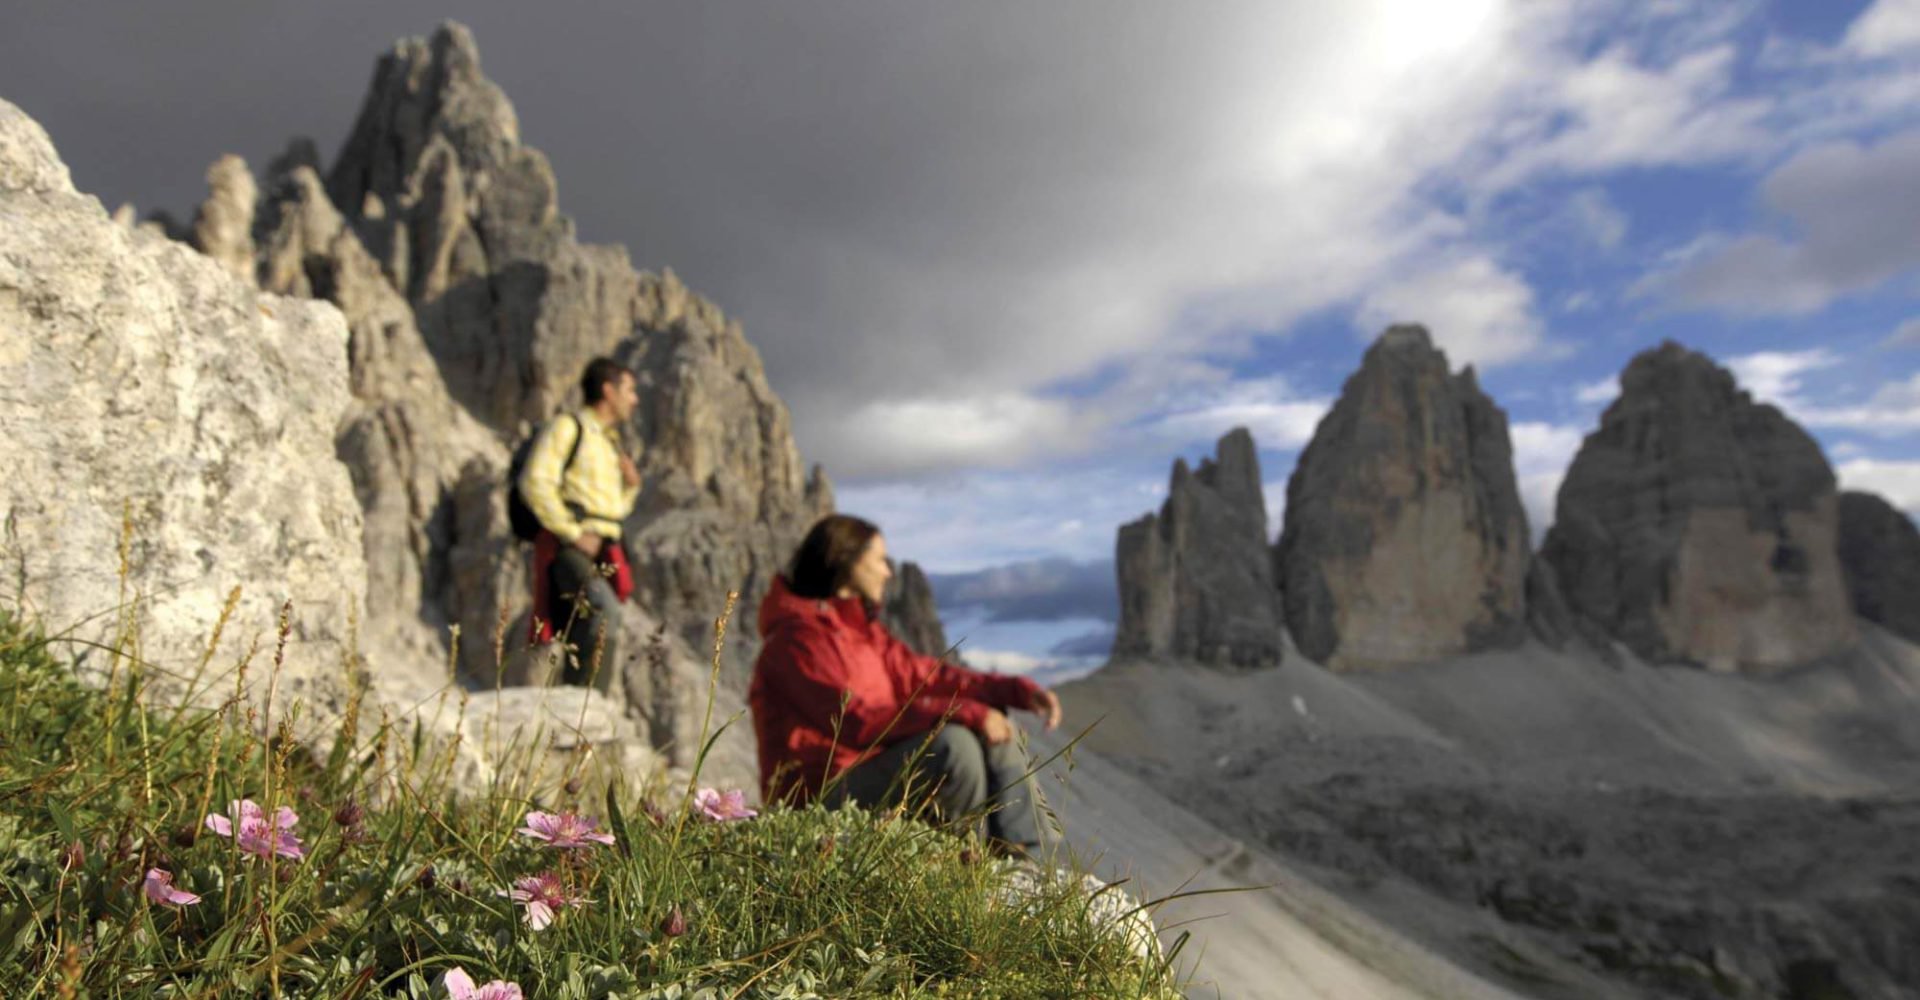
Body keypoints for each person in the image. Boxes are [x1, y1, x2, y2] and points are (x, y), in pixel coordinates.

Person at [748, 514, 1065, 856]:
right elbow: (855, 721)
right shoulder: (797, 640)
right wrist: (965, 713)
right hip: (819, 795)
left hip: (870, 773)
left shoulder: (864, 634)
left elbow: (930, 677)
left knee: (996, 723)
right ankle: (963, 866)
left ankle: (1023, 858)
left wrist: (1016, 691)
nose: (888, 572)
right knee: (952, 746)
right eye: (880, 560)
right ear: (846, 559)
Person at [519, 357, 643, 693]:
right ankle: (585, 709)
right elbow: (535, 482)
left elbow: (612, 511)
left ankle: (576, 705)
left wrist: (630, 486)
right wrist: (573, 533)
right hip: (568, 547)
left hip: (602, 551)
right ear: (608, 389)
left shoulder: (610, 443)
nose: (635, 399)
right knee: (604, 613)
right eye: (629, 390)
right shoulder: (568, 427)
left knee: (587, 625)